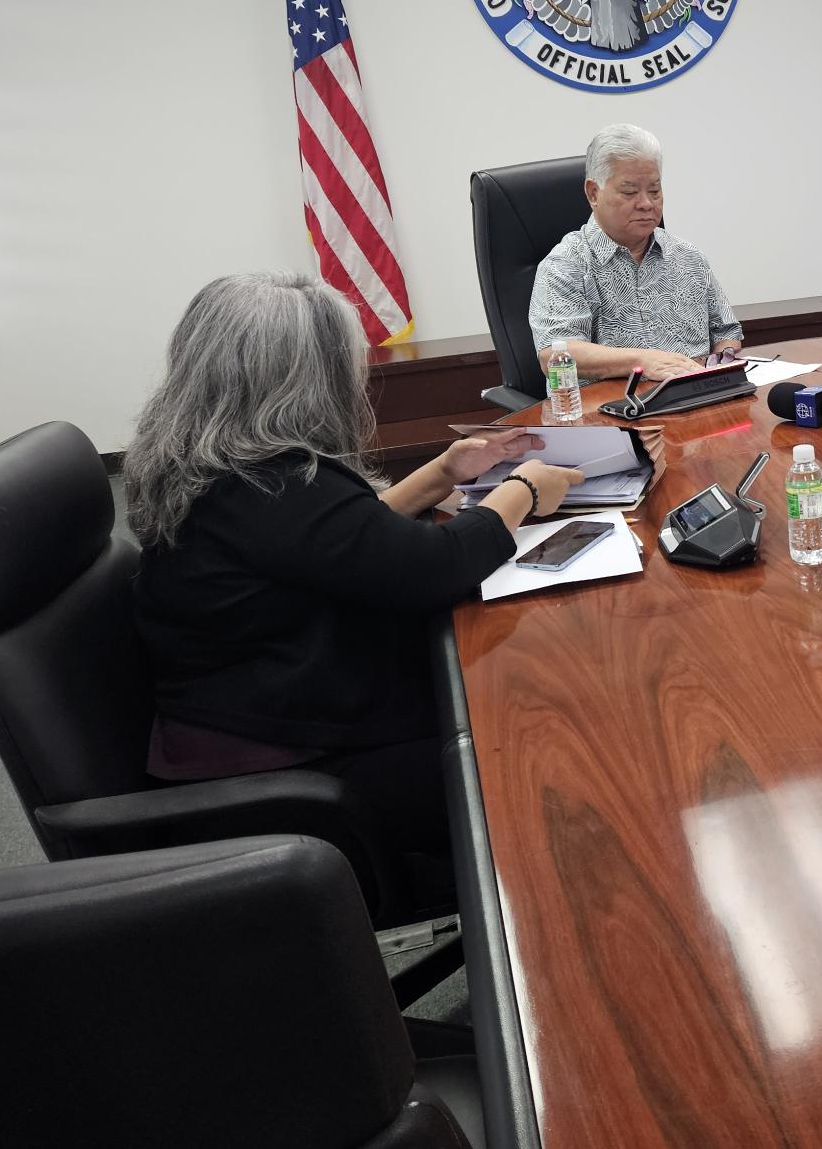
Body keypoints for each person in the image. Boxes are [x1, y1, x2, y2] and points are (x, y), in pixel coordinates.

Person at [124, 271, 584, 871]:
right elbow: (434, 568)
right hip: (282, 767)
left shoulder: (213, 460)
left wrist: (444, 472)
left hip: (263, 706)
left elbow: (346, 539)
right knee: (550, 756)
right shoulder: (270, 484)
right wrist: (523, 489)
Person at [529, 123, 743, 381]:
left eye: (654, 191)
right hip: (610, 411)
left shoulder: (689, 257)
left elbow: (725, 331)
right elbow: (555, 353)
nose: (646, 203)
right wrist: (643, 360)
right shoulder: (566, 265)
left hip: (696, 401)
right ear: (593, 193)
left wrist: (724, 362)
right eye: (630, 192)